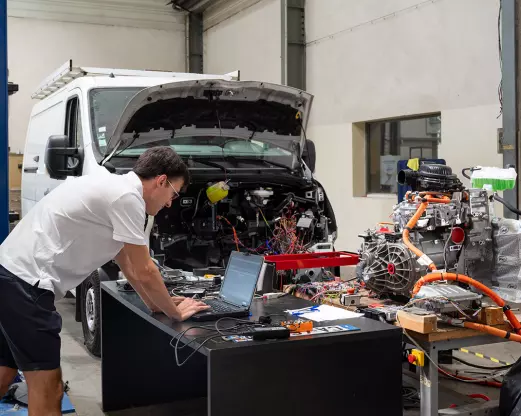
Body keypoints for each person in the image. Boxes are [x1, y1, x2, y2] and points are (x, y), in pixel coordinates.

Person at [0, 146, 209, 415]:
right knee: (49, 388)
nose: (170, 203)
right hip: (27, 286)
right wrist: (175, 311)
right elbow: (146, 269)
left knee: (5, 370)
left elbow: (128, 264)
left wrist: (156, 305)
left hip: (9, 274)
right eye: (174, 193)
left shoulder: (111, 185)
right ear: (161, 181)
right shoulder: (127, 198)